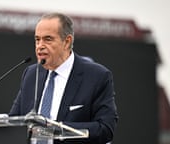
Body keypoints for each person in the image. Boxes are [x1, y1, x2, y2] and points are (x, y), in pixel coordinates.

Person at [9, 12, 118, 144]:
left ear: (67, 42)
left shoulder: (97, 76)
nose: (40, 46)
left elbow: (105, 130)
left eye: (48, 39)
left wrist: (55, 129)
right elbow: (14, 123)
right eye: (37, 39)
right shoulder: (31, 74)